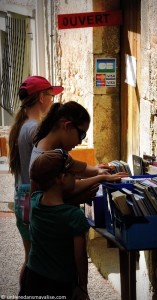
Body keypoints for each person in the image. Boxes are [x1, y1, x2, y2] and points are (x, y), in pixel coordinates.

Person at [8, 75, 64, 284]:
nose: (52, 99)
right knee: (35, 262)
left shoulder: (23, 125)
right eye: (50, 95)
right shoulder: (33, 128)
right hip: (30, 198)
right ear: (41, 97)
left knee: (30, 259)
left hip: (21, 197)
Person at [19, 149, 90, 299]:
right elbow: (80, 257)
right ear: (62, 178)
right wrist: (82, 286)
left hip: (32, 277)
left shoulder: (35, 201)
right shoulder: (74, 216)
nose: (76, 178)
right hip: (60, 284)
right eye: (73, 174)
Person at [30, 101, 128, 203]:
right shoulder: (45, 157)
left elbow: (75, 166)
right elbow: (66, 190)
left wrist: (97, 171)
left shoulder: (53, 150)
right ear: (67, 126)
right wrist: (100, 178)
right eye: (81, 135)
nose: (80, 141)